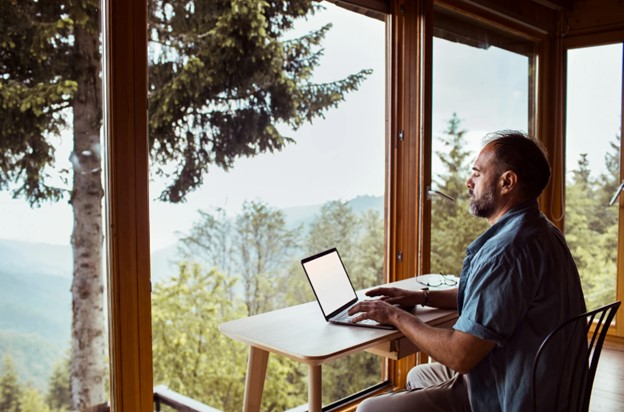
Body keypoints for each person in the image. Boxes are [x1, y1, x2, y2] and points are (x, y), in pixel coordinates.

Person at [349, 130, 586, 412]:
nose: (468, 182)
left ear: (507, 182)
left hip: (512, 396)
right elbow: (491, 297)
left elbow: (459, 355)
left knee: (367, 410)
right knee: (418, 374)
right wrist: (419, 296)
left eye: (477, 172)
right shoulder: (541, 230)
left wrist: (393, 315)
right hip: (548, 384)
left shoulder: (508, 250)